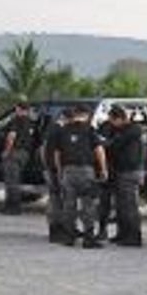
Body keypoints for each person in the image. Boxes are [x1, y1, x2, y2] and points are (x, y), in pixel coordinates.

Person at [54, 105, 108, 249]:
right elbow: (99, 150)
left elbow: (57, 153)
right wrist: (103, 169)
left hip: (68, 171)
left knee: (69, 205)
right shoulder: (90, 130)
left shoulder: (63, 130)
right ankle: (88, 239)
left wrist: (60, 171)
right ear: (86, 115)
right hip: (85, 171)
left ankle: (69, 237)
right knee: (88, 205)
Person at [106, 106, 145, 247]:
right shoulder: (122, 131)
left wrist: (109, 143)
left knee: (129, 206)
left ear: (120, 119)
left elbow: (115, 145)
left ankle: (133, 237)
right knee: (121, 206)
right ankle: (122, 234)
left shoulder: (131, 131)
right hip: (122, 171)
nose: (111, 124)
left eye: (112, 121)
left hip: (129, 171)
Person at [41, 108, 71, 243]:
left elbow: (43, 149)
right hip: (55, 170)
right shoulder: (59, 130)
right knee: (57, 199)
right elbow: (57, 153)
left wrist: (46, 165)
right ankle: (56, 229)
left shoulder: (51, 129)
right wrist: (58, 170)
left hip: (49, 168)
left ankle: (56, 228)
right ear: (65, 118)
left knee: (55, 198)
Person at [0, 103, 35, 215]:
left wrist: (7, 151)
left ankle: (13, 207)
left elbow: (12, 136)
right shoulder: (32, 122)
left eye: (16, 109)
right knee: (16, 179)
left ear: (18, 109)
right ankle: (11, 206)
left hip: (15, 152)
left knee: (11, 181)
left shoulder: (17, 120)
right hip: (25, 153)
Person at [96, 118, 117, 241]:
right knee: (107, 203)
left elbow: (101, 145)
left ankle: (102, 231)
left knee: (105, 203)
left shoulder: (105, 127)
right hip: (115, 169)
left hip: (109, 169)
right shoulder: (122, 129)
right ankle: (105, 231)